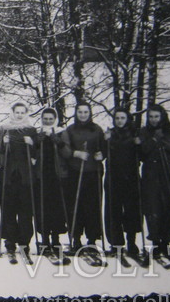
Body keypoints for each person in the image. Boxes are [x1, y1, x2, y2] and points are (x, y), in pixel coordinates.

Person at [138, 104, 170, 258]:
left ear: (162, 117)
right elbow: (140, 153)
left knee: (168, 206)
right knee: (152, 207)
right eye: (151, 117)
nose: (153, 120)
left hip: (168, 172)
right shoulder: (143, 132)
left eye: (156, 116)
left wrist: (165, 143)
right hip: (151, 174)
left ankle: (166, 243)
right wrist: (153, 140)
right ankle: (155, 243)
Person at [60, 102, 106, 253]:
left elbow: (104, 147)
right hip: (75, 171)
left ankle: (92, 240)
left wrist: (101, 155)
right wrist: (76, 153)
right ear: (76, 113)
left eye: (85, 112)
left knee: (92, 207)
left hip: (93, 172)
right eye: (80, 112)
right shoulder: (71, 129)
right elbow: (64, 148)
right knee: (75, 206)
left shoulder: (97, 129)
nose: (83, 115)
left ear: (90, 113)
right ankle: (76, 239)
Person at [104, 107, 143, 257]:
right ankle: (116, 243)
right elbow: (102, 153)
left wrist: (138, 144)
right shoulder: (110, 134)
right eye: (117, 118)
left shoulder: (134, 133)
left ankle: (131, 242)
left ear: (127, 119)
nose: (119, 121)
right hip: (113, 177)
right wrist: (105, 141)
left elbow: (142, 155)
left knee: (131, 211)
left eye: (122, 118)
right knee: (113, 211)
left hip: (131, 178)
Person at [0, 102, 38, 256]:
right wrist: (4, 143)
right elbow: (0, 151)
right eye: (17, 112)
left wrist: (32, 144)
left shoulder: (31, 130)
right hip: (9, 175)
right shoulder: (5, 129)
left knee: (25, 211)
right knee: (9, 210)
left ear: (26, 114)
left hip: (26, 176)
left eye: (23, 112)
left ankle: (24, 242)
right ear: (13, 113)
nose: (20, 115)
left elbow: (37, 152)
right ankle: (10, 242)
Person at [33, 107, 68, 254]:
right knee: (42, 207)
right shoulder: (37, 133)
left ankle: (56, 239)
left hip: (56, 175)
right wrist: (38, 141)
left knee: (56, 208)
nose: (48, 121)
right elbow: (32, 151)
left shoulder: (61, 132)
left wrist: (54, 138)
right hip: (41, 175)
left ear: (55, 120)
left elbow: (67, 152)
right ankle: (45, 239)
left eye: (50, 119)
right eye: (45, 119)